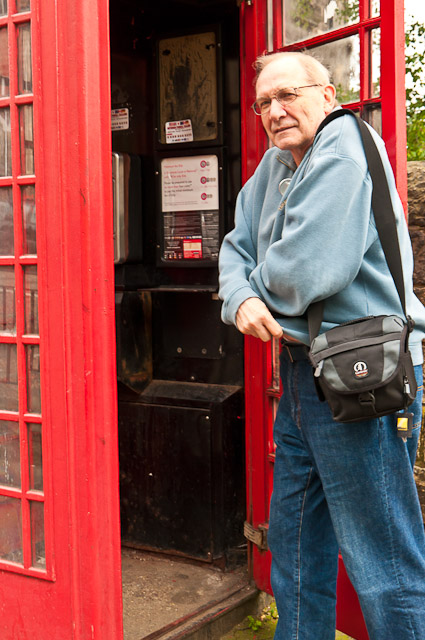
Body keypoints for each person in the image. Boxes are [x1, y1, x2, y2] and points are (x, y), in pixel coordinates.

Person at [218, 51, 425, 640]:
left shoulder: (344, 149)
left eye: (288, 95)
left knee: (384, 561)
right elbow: (234, 247)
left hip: (364, 374)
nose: (275, 111)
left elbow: (307, 271)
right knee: (297, 544)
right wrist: (243, 296)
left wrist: (245, 293)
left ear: (328, 95)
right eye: (263, 102)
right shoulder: (276, 166)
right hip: (304, 377)